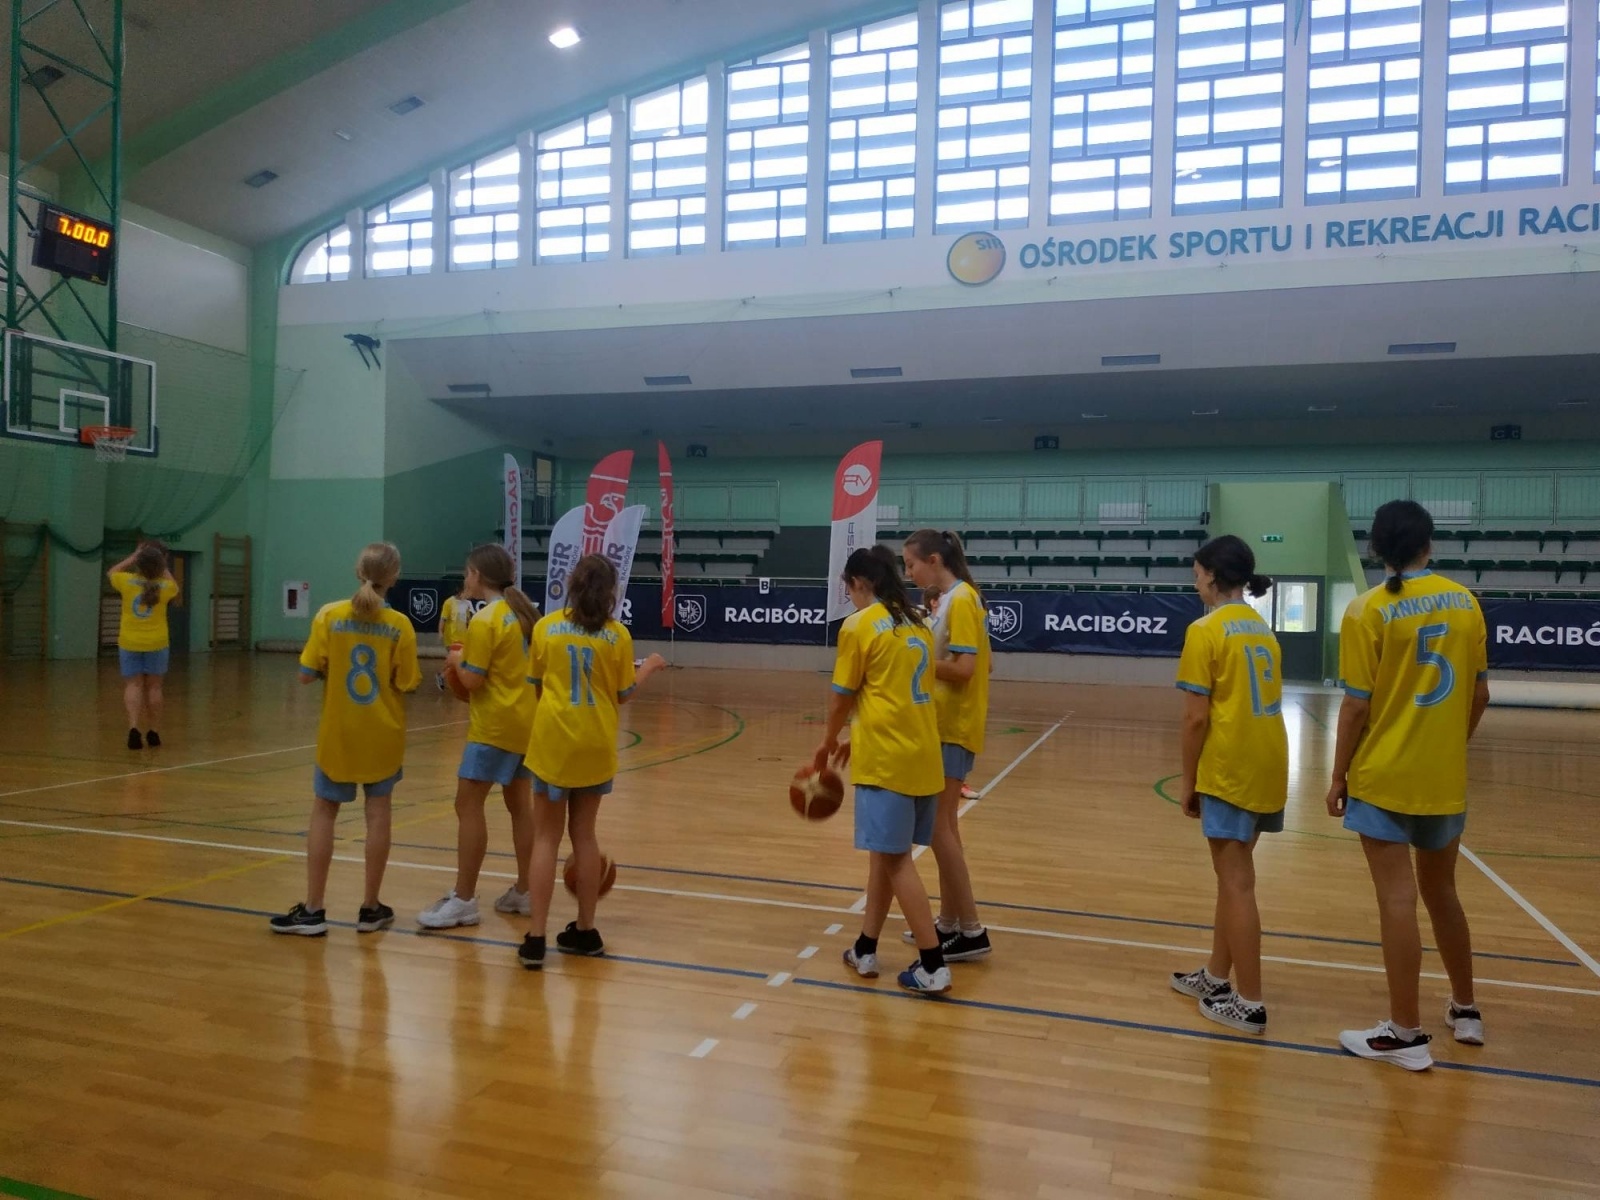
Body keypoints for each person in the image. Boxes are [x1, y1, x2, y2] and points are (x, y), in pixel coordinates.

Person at [1329, 500, 1489, 1071]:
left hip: (1383, 777)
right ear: (1429, 544)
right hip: (1443, 778)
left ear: (1376, 549)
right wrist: (1448, 747)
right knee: (1442, 892)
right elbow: (1479, 694)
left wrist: (1337, 774)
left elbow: (1355, 706)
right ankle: (1466, 1011)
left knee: (1398, 900)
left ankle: (1405, 1034)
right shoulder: (1466, 603)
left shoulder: (1367, 609)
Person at [517, 555, 667, 969]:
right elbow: (623, 694)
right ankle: (585, 930)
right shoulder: (617, 635)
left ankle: (535, 938)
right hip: (595, 744)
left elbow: (537, 686)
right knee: (584, 836)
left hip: (553, 744)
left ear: (571, 585)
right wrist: (650, 667)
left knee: (545, 839)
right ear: (610, 592)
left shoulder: (546, 628)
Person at [1168, 535, 1288, 1034]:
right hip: (1268, 761)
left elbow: (1195, 718)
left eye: (1198, 575)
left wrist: (1189, 780)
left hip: (1230, 766)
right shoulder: (1262, 628)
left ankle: (1250, 1001)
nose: (1195, 583)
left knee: (1237, 883)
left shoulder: (1205, 630)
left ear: (1213, 576)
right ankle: (1217, 975)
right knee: (1230, 877)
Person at [271, 542, 420, 937]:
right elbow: (407, 682)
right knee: (378, 813)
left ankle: (313, 910)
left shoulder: (329, 615)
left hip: (338, 734)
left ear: (358, 571)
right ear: (394, 577)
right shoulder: (400, 625)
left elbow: (305, 675)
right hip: (382, 735)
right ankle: (370, 908)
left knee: (325, 811)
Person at [824, 545, 952, 995]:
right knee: (885, 854)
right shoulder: (916, 621)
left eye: (849, 587)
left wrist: (826, 743)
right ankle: (866, 946)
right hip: (922, 755)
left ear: (860, 583)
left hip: (887, 760)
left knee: (895, 861)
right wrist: (854, 737)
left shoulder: (859, 625)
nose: (849, 595)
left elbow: (841, 696)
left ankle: (933, 964)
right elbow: (891, 691)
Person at [418, 545, 540, 929]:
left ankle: (464, 899)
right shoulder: (527, 615)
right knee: (520, 807)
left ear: (476, 575)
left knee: (467, 804)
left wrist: (456, 661)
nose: (465, 578)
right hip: (527, 724)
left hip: (495, 727)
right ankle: (526, 891)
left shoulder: (486, 620)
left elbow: (472, 681)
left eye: (467, 572)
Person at [900, 529, 992, 962]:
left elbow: (967, 669)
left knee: (939, 829)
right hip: (942, 724)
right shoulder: (952, 599)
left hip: (952, 726)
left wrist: (916, 662)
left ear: (933, 560)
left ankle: (972, 930)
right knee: (946, 829)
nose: (908, 573)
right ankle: (951, 922)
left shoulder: (962, 599)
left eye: (911, 564)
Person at [107, 541, 179, 750]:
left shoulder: (126, 581)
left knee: (133, 685)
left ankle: (133, 728)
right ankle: (154, 732)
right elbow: (175, 587)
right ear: (161, 564)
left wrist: (134, 556)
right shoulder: (165, 587)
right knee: (155, 687)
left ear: (139, 563)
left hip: (129, 642)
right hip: (157, 642)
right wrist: (161, 564)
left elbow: (112, 572)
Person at [437, 582, 472, 691]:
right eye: (466, 591)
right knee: (455, 660)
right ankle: (444, 677)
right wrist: (440, 631)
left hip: (463, 637)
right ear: (460, 592)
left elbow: (468, 620)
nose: (468, 594)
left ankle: (442, 676)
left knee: (456, 661)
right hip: (451, 638)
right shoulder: (449, 603)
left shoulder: (467, 604)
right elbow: (443, 618)